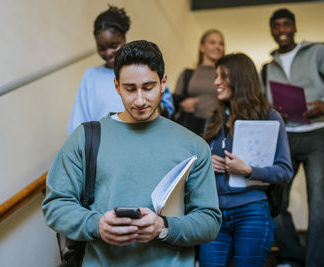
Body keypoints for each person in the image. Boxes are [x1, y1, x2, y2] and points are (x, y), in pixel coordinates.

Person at [42, 40, 222, 267]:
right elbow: (55, 205)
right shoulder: (85, 138)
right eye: (129, 89)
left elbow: (210, 221)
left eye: (148, 87)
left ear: (163, 83)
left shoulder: (194, 146)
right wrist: (95, 225)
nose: (139, 100)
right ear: (116, 86)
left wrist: (163, 227)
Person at [261, 8, 324, 267]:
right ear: (272, 31)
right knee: (275, 202)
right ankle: (293, 256)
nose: (281, 30)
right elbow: (261, 102)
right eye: (276, 26)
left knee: (319, 203)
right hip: (283, 138)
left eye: (286, 24)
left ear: (295, 27)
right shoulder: (266, 68)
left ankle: (319, 263)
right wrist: (272, 110)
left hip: (315, 135)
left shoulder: (318, 53)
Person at [199, 53, 293, 267]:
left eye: (222, 76)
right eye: (216, 76)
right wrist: (205, 164)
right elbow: (198, 170)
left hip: (252, 212)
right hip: (214, 215)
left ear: (240, 79)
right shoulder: (213, 119)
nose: (216, 82)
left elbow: (285, 170)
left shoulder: (269, 116)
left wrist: (249, 170)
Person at [67, 6, 174, 136]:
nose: (108, 53)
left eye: (114, 46)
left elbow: (167, 111)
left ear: (124, 38)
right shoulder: (91, 76)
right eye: (101, 48)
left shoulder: (144, 70)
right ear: (116, 85)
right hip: (104, 145)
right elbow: (78, 123)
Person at [172, 29, 225, 135]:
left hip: (216, 128)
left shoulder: (226, 75)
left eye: (221, 44)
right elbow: (174, 99)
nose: (217, 47)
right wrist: (182, 103)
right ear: (202, 47)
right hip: (189, 128)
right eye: (212, 42)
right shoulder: (188, 73)